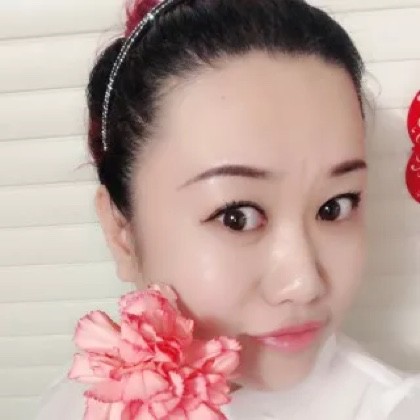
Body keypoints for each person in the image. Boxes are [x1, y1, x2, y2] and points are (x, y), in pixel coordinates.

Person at [36, 0, 420, 418]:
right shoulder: (75, 403)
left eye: (334, 207)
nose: (304, 283)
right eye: (237, 217)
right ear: (122, 233)